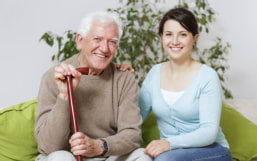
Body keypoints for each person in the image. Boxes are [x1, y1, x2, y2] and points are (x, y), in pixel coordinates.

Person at [35, 11, 152, 161]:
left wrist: (99, 146)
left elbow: (132, 135)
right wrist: (64, 96)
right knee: (60, 157)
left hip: (106, 154)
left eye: (112, 42)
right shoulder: (54, 77)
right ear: (79, 40)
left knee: (141, 155)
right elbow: (48, 146)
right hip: (68, 156)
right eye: (97, 39)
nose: (104, 48)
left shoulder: (124, 79)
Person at [139, 8, 232, 161]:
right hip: (171, 153)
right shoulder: (154, 73)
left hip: (213, 151)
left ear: (194, 38)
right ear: (161, 37)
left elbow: (209, 133)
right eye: (169, 34)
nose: (175, 41)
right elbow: (136, 115)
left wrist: (168, 143)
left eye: (183, 34)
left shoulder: (207, 76)